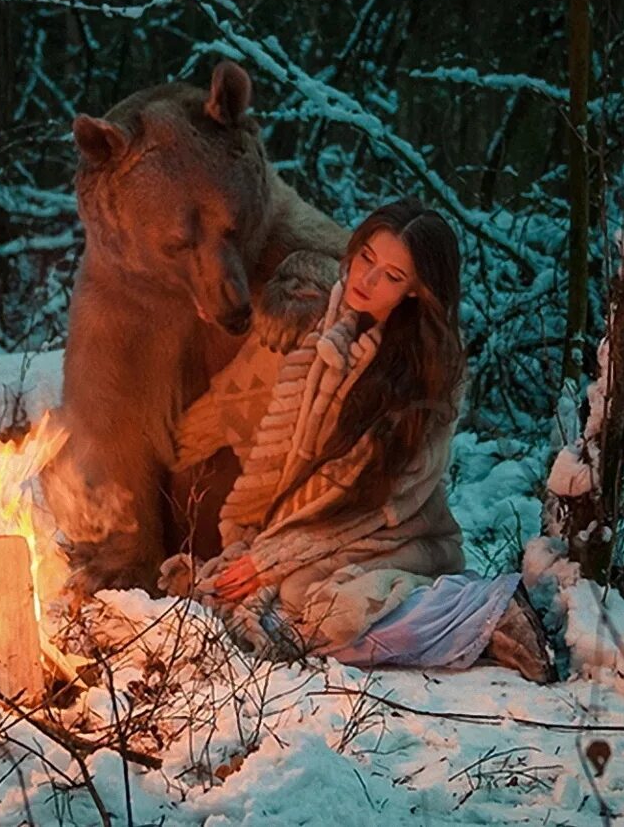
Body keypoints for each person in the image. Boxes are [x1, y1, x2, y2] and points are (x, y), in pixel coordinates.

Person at [159, 198, 553, 682]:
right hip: (312, 528)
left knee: (316, 607)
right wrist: (248, 541)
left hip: (391, 530)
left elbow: (382, 497)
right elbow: (278, 456)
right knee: (246, 601)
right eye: (367, 258)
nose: (366, 281)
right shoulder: (328, 329)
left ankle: (482, 611)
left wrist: (275, 557)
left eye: (391, 275)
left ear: (415, 291)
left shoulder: (430, 366)